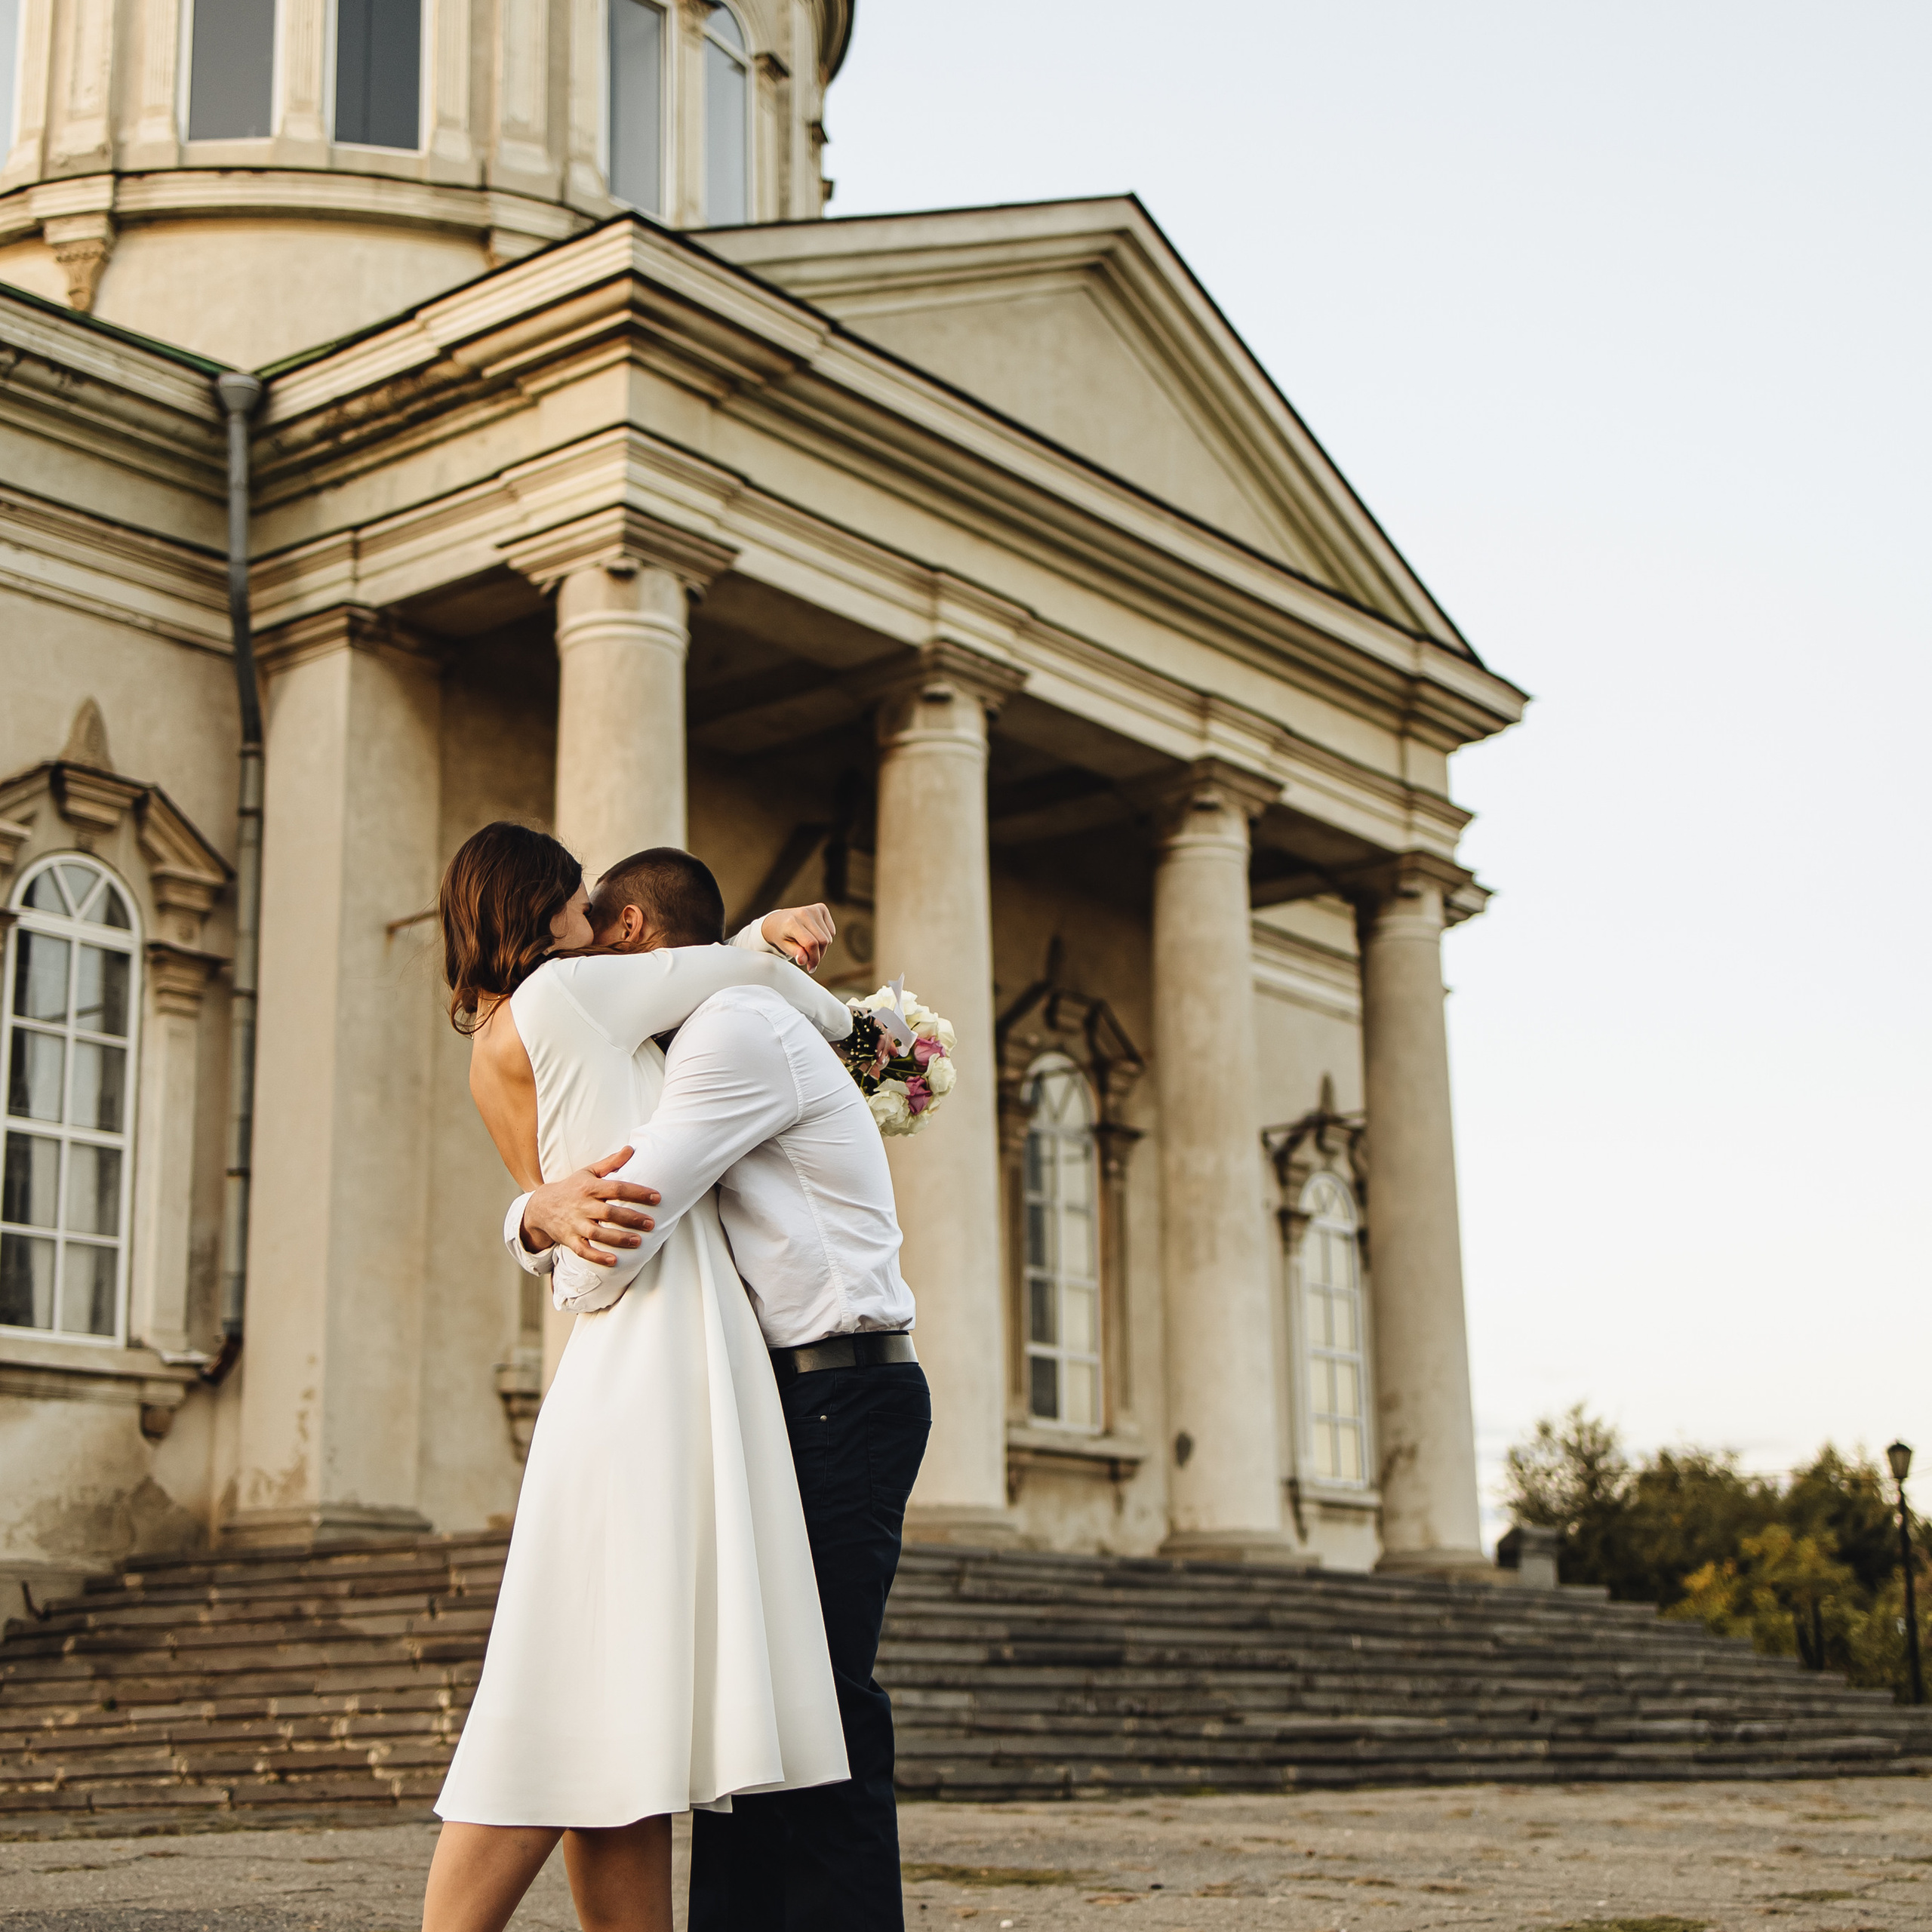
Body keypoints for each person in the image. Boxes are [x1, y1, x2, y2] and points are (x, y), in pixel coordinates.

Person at [425, 822, 854, 1932]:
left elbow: (551, 1213)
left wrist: (528, 1218)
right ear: (543, 915)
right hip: (657, 1352)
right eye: (576, 906)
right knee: (562, 1703)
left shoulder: (491, 1046)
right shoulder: (571, 994)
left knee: (617, 1725)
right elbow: (737, 969)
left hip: (616, 1359)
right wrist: (859, 1016)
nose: (593, 927)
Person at [511, 850, 931, 1932]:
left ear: (634, 934)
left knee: (820, 1712)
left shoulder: (732, 1037)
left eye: (593, 940)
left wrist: (542, 1229)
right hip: (799, 1396)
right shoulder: (726, 1015)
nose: (586, 968)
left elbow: (619, 1231)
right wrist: (534, 1214)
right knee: (759, 1711)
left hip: (840, 1395)